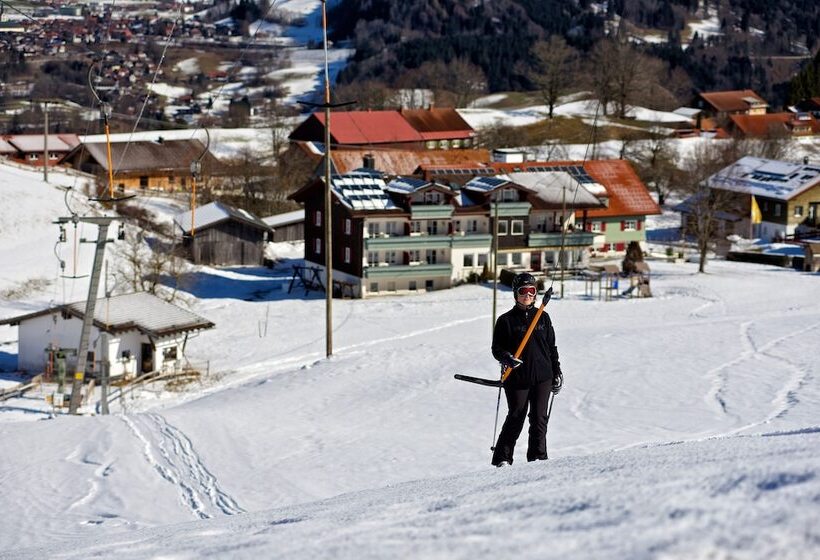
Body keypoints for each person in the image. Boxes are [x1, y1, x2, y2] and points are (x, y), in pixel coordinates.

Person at [491, 272, 563, 467]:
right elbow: (496, 349)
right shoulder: (505, 320)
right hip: (517, 379)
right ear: (516, 294)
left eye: (532, 291)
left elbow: (551, 348)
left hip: (543, 377)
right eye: (523, 291)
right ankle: (502, 459)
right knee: (516, 416)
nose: (528, 295)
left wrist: (557, 373)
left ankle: (538, 458)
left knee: (539, 418)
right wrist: (507, 358)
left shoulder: (543, 318)